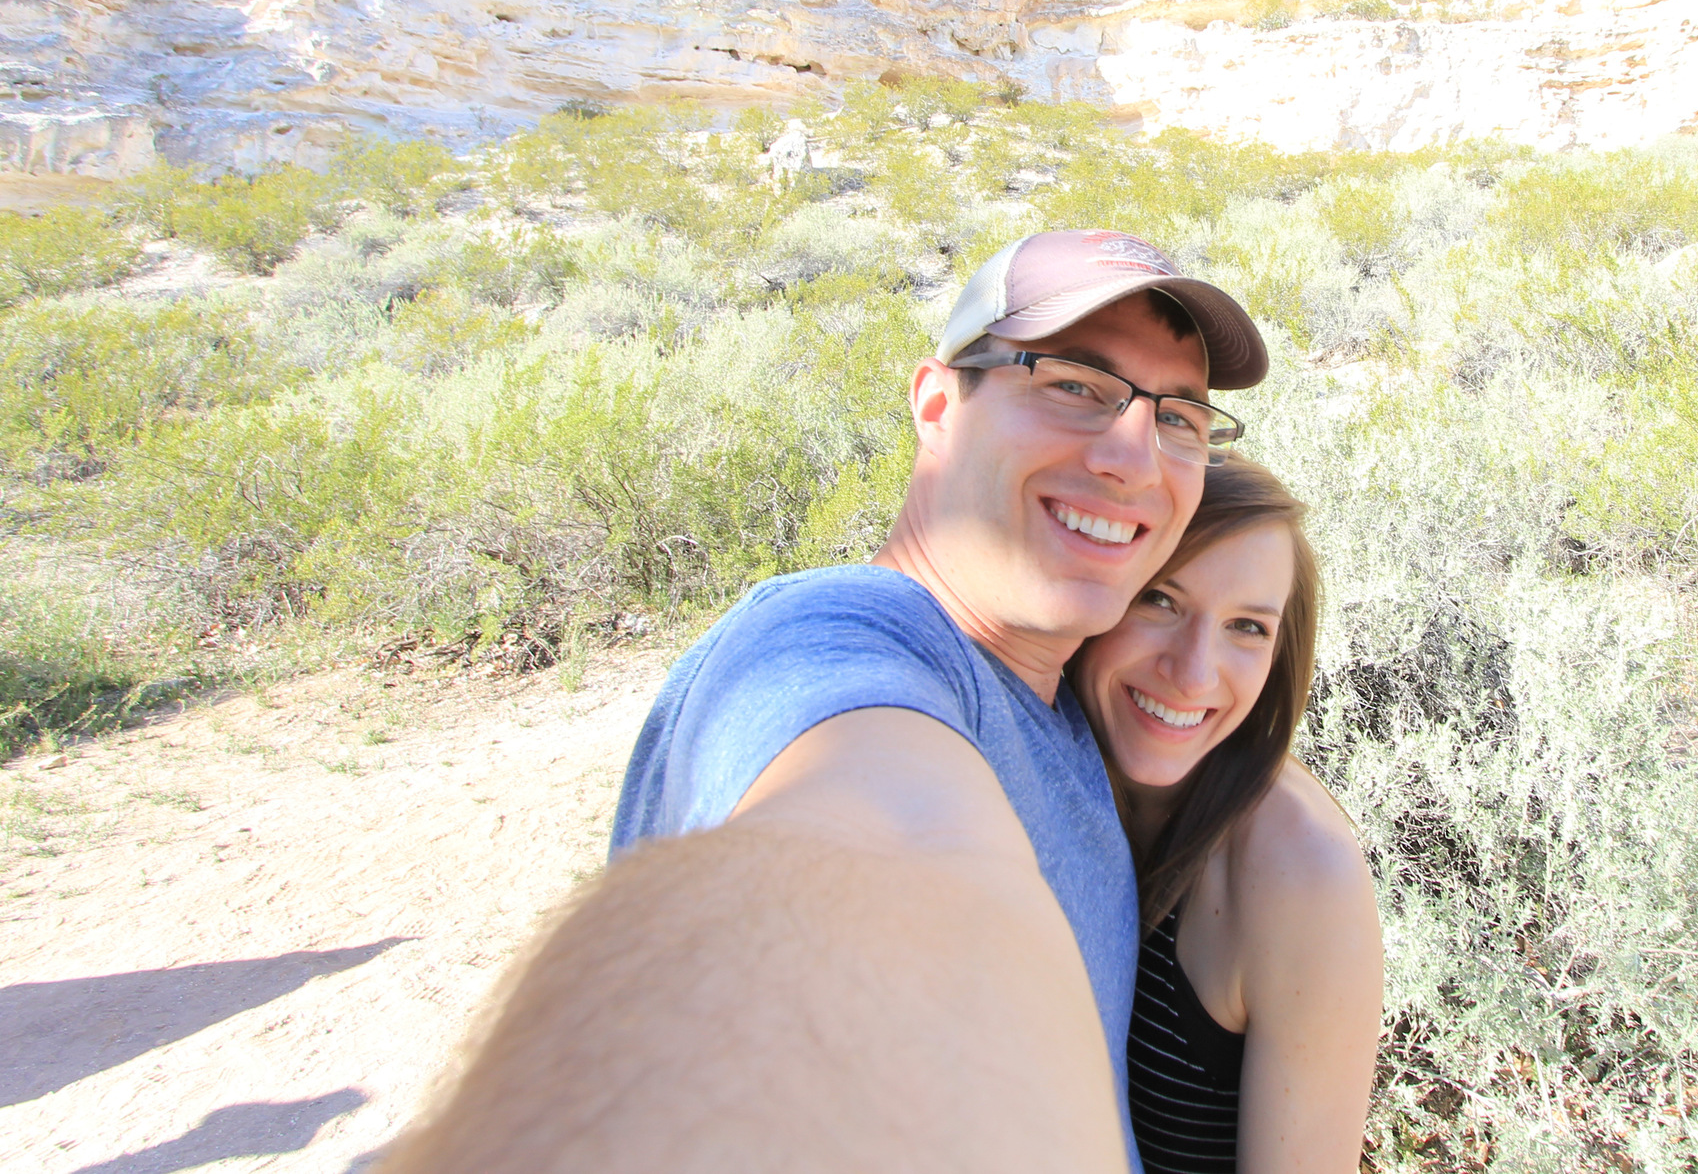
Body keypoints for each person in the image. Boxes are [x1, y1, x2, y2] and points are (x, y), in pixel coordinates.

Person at [382, 230, 1268, 1174]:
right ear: (938, 404)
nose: (1136, 456)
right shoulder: (837, 639)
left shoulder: (1060, 694)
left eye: (1180, 417)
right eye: (1075, 385)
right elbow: (869, 848)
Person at [1072, 458, 1383, 1174]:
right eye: (1159, 599)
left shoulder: (1302, 872)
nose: (1192, 671)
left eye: (1247, 625)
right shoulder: (1032, 759)